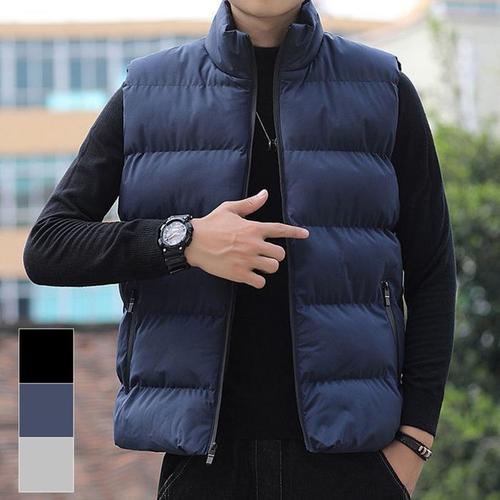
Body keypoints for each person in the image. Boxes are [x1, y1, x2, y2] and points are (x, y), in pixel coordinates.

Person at [23, 0, 458, 498]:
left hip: (354, 465)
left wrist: (415, 441)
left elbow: (433, 272)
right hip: (205, 468)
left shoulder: (383, 89)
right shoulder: (148, 91)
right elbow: (49, 246)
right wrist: (183, 241)